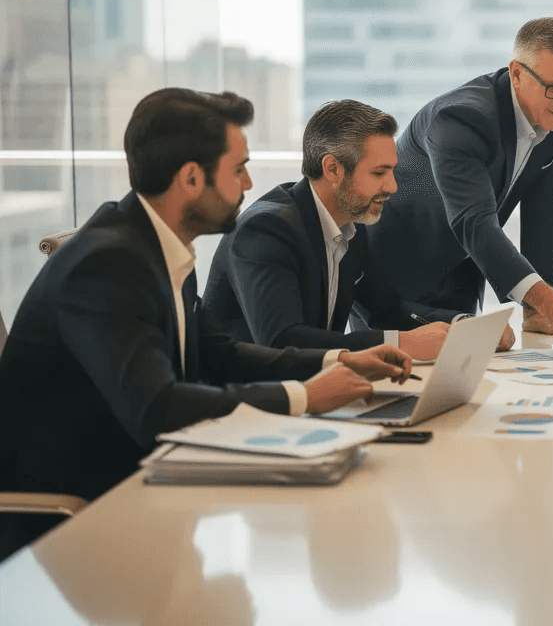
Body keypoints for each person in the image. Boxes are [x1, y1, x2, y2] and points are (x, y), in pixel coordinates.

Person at [0, 88, 413, 559]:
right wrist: (305, 396)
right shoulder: (108, 262)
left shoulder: (161, 245)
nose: (249, 183)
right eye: (237, 169)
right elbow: (157, 405)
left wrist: (337, 357)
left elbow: (219, 353)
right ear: (192, 178)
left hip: (148, 479)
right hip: (74, 521)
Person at [203, 99, 513, 359]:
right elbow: (284, 342)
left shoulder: (350, 226)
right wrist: (400, 344)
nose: (392, 187)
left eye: (392, 171)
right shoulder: (266, 230)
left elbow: (386, 309)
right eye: (379, 173)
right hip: (244, 408)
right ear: (333, 169)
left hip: (308, 393)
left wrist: (465, 326)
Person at [366, 17, 553, 350]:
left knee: (473, 375)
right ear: (518, 73)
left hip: (464, 272)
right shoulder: (460, 119)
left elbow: (545, 204)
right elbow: (475, 222)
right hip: (395, 278)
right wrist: (552, 304)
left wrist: (537, 309)